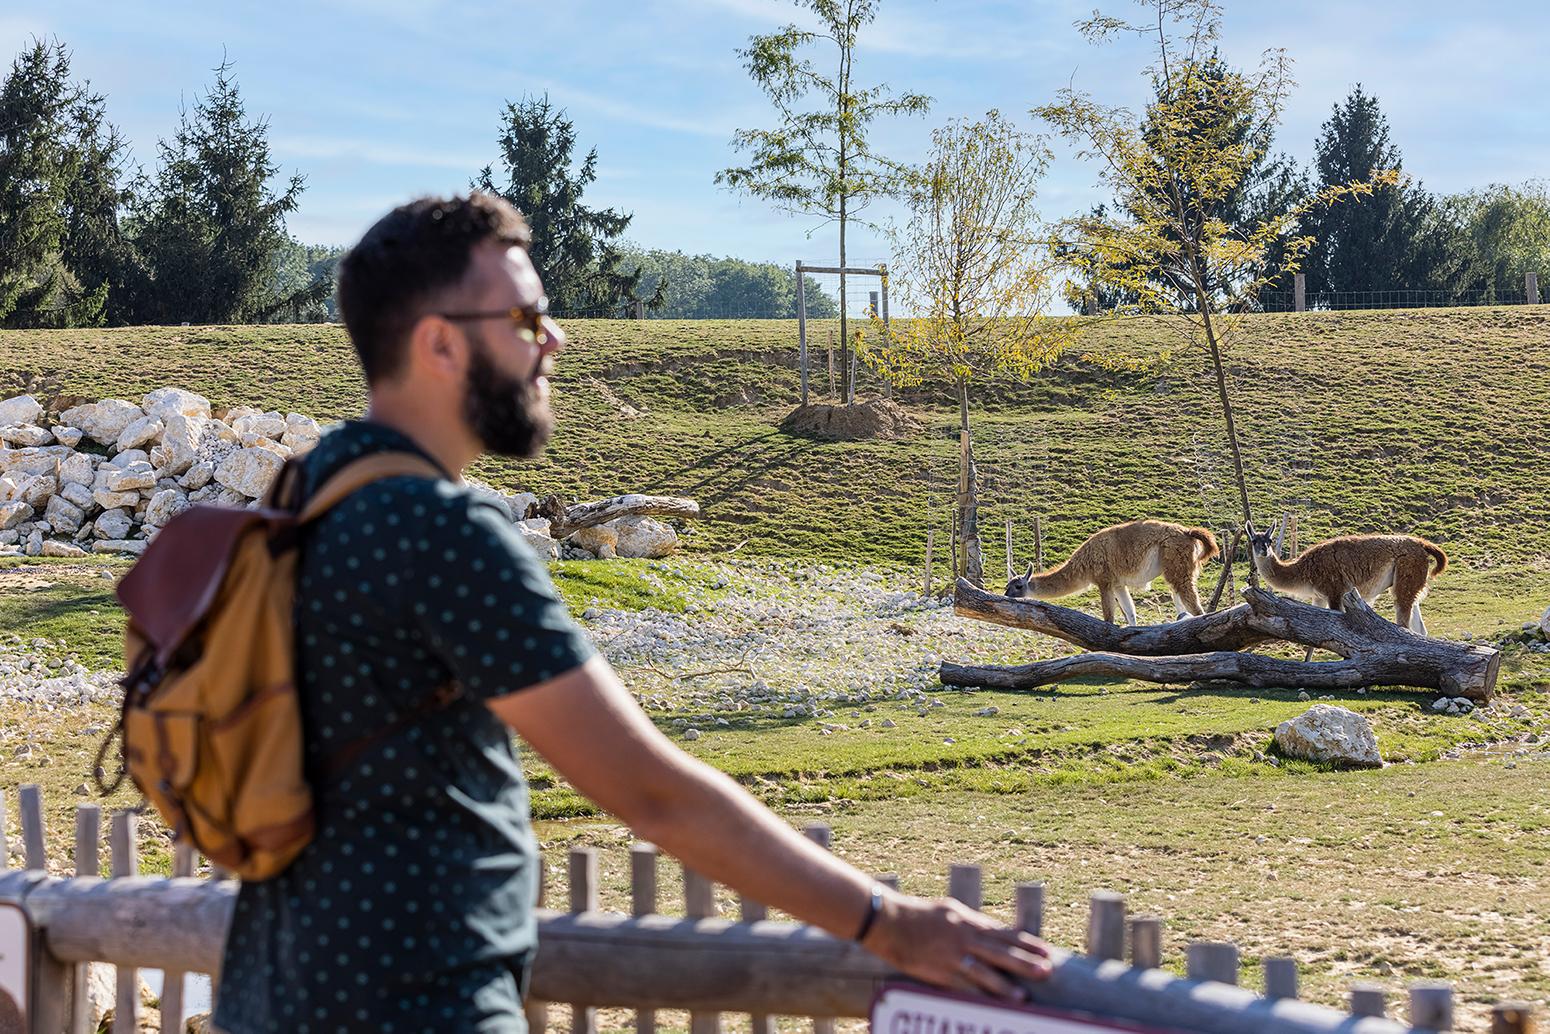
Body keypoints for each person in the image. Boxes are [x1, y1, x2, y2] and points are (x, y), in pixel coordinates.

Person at [214, 193, 1052, 1033]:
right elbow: (652, 795)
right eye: (527, 318)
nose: (556, 341)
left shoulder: (304, 498)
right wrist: (890, 922)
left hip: (267, 998)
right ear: (438, 341)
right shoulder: (443, 533)